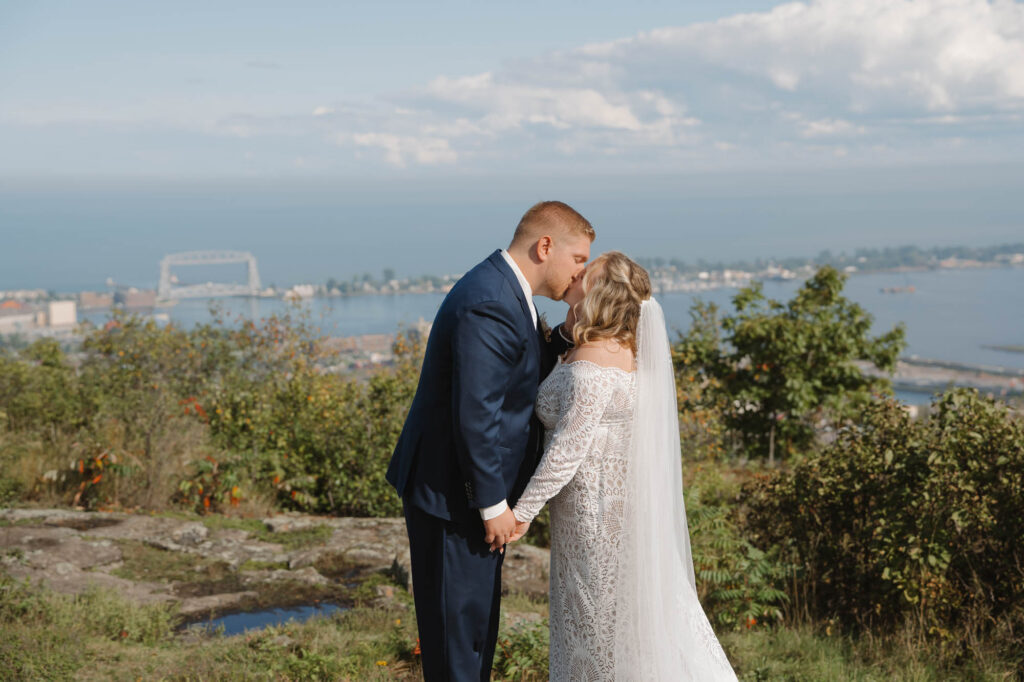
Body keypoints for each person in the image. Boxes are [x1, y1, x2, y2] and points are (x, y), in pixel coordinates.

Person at [386, 201, 595, 681]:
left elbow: (520, 369)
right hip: (452, 499)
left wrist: (568, 335)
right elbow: (476, 413)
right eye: (578, 259)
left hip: (463, 497)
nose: (580, 273)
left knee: (474, 632)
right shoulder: (490, 300)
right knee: (458, 641)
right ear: (546, 246)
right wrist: (492, 505)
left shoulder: (505, 291)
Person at [508, 251, 738, 681]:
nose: (576, 275)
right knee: (611, 628)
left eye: (585, 273)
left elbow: (566, 452)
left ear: (597, 292)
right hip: (604, 512)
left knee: (597, 632)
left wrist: (519, 515)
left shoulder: (592, 365)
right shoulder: (617, 349)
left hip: (594, 521)